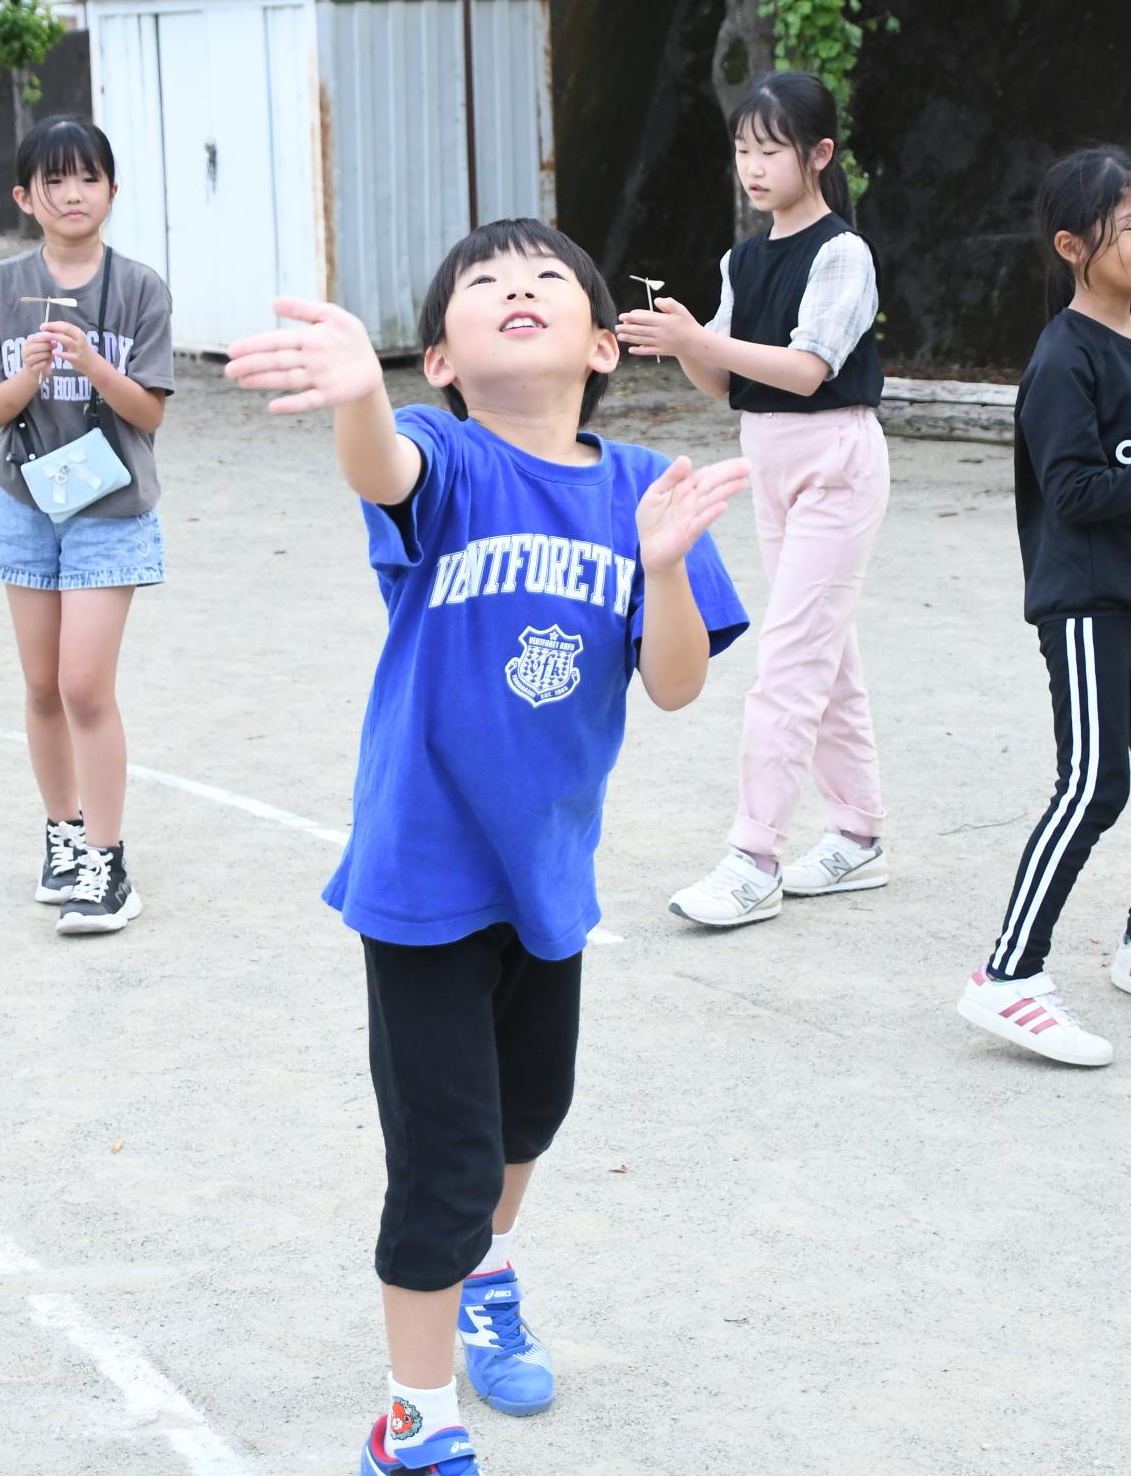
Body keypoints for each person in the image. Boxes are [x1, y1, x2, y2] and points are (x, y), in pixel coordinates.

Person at [225, 219, 749, 1476]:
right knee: (446, 1164)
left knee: (532, 1118)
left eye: (546, 279)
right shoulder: (445, 454)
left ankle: (483, 1270)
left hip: (546, 876)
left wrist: (666, 570)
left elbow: (673, 683)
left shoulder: (640, 489)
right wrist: (362, 400)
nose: (517, 288)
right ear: (442, 358)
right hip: (423, 877)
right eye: (483, 284)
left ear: (607, 343)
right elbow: (382, 470)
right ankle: (416, 1422)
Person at [617, 70, 889, 927]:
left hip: (834, 458)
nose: (753, 167)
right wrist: (684, 342)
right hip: (767, 459)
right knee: (824, 656)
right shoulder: (744, 256)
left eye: (770, 150)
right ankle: (857, 833)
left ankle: (753, 855)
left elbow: (808, 369)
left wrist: (704, 338)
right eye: (742, 150)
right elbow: (719, 380)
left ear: (818, 155)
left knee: (787, 665)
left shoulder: (841, 252)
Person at [959, 147, 1131, 1066]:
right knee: (1092, 785)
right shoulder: (1063, 360)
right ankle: (1007, 975)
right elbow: (1073, 492)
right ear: (1072, 246)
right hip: (1085, 603)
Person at [0, 114, 174, 933]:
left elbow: (148, 410)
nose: (72, 193)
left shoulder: (140, 288)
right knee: (44, 686)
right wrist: (32, 375)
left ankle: (107, 864)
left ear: (112, 191)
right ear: (26, 197)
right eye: (53, 181)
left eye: (87, 177)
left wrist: (91, 364)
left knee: (86, 686)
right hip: (23, 505)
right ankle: (63, 834)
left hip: (110, 507)